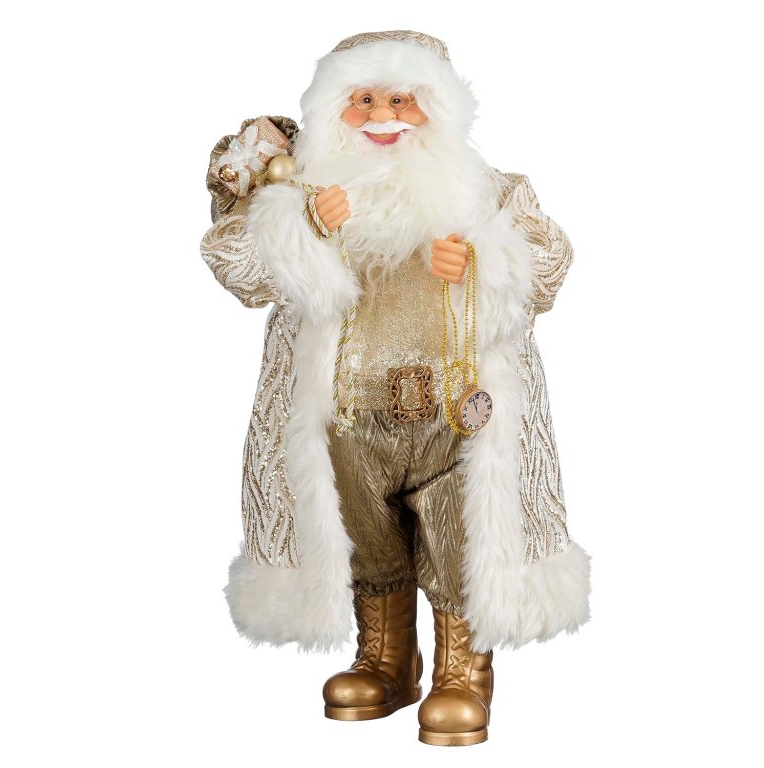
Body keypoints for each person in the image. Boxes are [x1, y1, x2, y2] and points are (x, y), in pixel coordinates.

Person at [200, 29, 591, 747]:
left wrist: (483, 261)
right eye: (363, 101)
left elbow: (550, 265)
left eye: (402, 101)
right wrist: (298, 227)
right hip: (346, 416)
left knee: (460, 533)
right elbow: (241, 273)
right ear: (332, 113)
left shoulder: (488, 194)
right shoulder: (303, 194)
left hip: (455, 415)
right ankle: (385, 657)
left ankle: (462, 668)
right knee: (362, 539)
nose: (382, 117)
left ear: (438, 109)